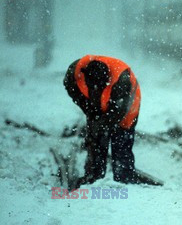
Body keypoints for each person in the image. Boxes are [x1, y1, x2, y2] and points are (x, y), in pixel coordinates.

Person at [64, 55, 155, 187]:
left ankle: (124, 177)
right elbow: (71, 88)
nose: (97, 89)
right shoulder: (75, 71)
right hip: (99, 103)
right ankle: (93, 177)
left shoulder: (122, 79)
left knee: (121, 138)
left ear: (107, 79)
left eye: (100, 86)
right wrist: (89, 110)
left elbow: (117, 113)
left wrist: (101, 125)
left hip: (127, 104)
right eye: (94, 87)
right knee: (95, 140)